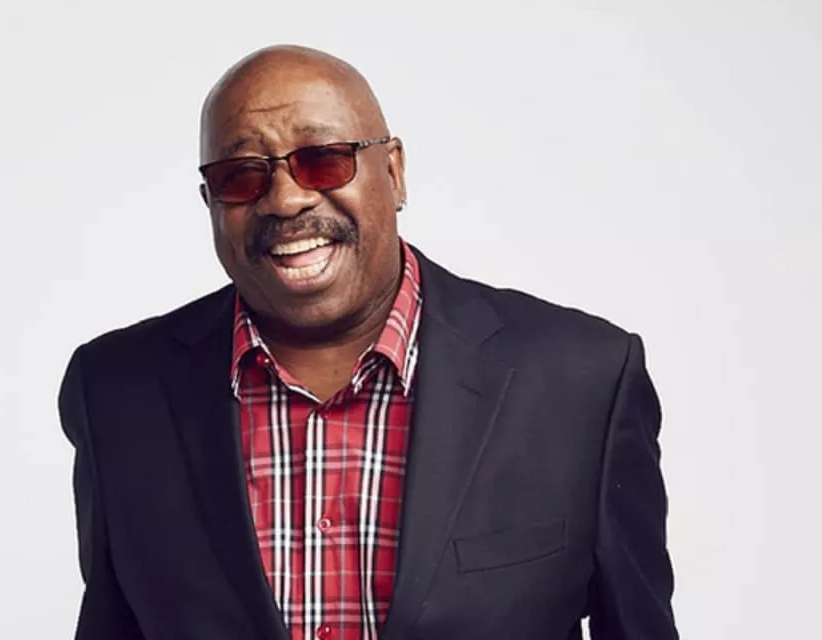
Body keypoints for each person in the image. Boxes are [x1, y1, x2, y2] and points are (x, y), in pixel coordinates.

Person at [57, 44, 679, 640]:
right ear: (209, 203)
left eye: (323, 159)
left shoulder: (583, 380)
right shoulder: (115, 392)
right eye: (241, 175)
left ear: (395, 172)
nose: (286, 199)